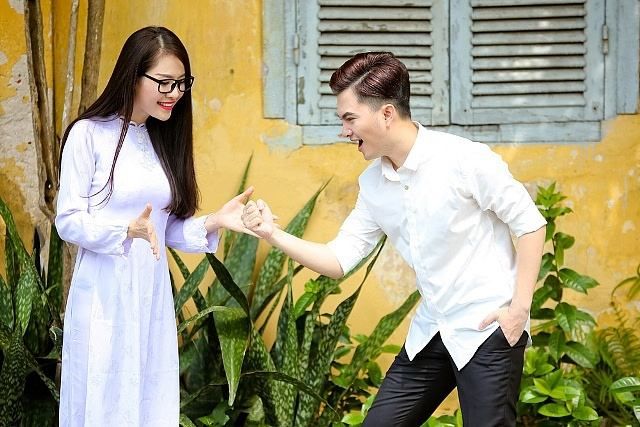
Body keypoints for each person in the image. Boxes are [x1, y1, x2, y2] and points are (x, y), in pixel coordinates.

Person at [242, 52, 546, 426]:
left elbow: (530, 224)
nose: (344, 131)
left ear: (386, 114)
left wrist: (518, 311)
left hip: (488, 329)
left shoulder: (465, 160)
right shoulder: (373, 184)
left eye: (349, 118)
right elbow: (339, 260)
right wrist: (271, 233)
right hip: (433, 329)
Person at [56, 26, 253, 426]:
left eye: (181, 83)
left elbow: (163, 231)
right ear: (133, 76)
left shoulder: (161, 137)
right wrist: (123, 231)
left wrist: (216, 220)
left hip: (151, 293)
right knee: (104, 398)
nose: (174, 93)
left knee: (150, 398)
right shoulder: (88, 134)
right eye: (164, 82)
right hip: (104, 292)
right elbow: (69, 221)